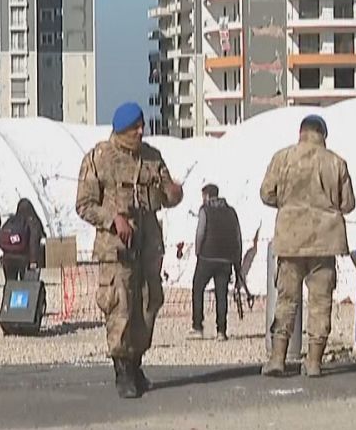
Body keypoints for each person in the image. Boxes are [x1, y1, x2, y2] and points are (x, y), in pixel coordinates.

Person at [76, 102, 182, 399]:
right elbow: (84, 205)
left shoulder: (152, 157)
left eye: (142, 126)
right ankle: (122, 371)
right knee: (120, 306)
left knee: (148, 304)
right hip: (117, 250)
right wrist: (113, 219)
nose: (141, 131)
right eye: (135, 127)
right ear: (122, 129)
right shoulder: (99, 158)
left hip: (148, 246)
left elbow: (167, 194)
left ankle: (137, 364)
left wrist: (174, 193)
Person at [259, 114, 356, 378]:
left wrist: (288, 202)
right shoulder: (336, 162)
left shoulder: (283, 158)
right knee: (320, 302)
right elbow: (347, 203)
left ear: (300, 132)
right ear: (323, 134)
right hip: (325, 241)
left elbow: (266, 193)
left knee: (286, 300)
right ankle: (314, 361)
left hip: (290, 240)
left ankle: (278, 357)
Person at [190, 184, 242, 341]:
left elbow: (200, 233)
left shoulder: (205, 210)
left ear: (206, 196)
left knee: (197, 289)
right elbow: (237, 237)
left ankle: (198, 327)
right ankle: (221, 331)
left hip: (207, 257)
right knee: (222, 295)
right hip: (226, 259)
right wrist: (236, 262)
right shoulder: (231, 211)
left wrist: (198, 251)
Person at [0, 198, 47, 281]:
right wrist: (33, 260)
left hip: (8, 258)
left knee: (10, 284)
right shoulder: (32, 221)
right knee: (26, 286)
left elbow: (0, 239)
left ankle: (8, 294)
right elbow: (33, 242)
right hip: (24, 258)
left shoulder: (11, 221)